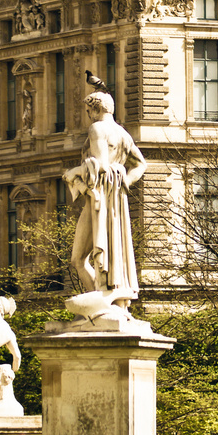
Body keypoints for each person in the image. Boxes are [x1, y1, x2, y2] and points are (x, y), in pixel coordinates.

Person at [66, 89, 147, 323]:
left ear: (95, 109)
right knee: (110, 248)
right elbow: (141, 164)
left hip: (99, 199)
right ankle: (107, 302)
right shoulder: (122, 134)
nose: (88, 115)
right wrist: (124, 181)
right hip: (116, 197)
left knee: (78, 259)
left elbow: (99, 167)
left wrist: (74, 172)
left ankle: (101, 305)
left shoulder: (97, 129)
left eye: (88, 111)